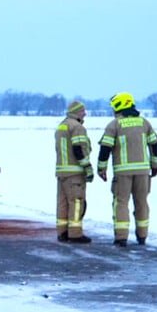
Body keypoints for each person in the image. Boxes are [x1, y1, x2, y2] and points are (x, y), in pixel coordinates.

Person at [97, 92, 157, 246]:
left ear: (119, 106)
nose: (113, 110)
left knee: (121, 203)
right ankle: (142, 236)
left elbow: (105, 148)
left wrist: (101, 168)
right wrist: (154, 165)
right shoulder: (144, 123)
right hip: (143, 172)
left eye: (114, 107)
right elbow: (155, 145)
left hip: (122, 173)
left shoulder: (114, 125)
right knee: (142, 202)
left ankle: (121, 237)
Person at [54, 100, 94, 243]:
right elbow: (78, 149)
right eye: (83, 111)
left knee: (63, 203)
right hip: (75, 173)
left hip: (61, 172)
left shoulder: (62, 125)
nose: (85, 114)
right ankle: (75, 234)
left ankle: (62, 232)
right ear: (76, 112)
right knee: (76, 202)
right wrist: (87, 167)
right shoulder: (77, 127)